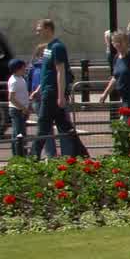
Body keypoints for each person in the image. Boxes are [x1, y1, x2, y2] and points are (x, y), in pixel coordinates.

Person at [31, 18, 84, 157]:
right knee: (65, 126)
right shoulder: (48, 48)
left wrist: (60, 96)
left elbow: (60, 71)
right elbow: (48, 72)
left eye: (39, 29)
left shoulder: (57, 47)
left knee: (43, 126)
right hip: (48, 91)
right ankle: (83, 155)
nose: (37, 32)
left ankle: (32, 158)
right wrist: (38, 90)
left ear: (48, 29)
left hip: (52, 93)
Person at [5, 57, 31, 158]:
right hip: (17, 110)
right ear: (18, 69)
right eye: (23, 67)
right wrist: (23, 108)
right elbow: (11, 98)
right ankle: (19, 155)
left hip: (20, 109)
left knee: (18, 133)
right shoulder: (14, 81)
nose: (25, 69)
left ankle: (18, 154)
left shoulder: (20, 78)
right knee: (19, 134)